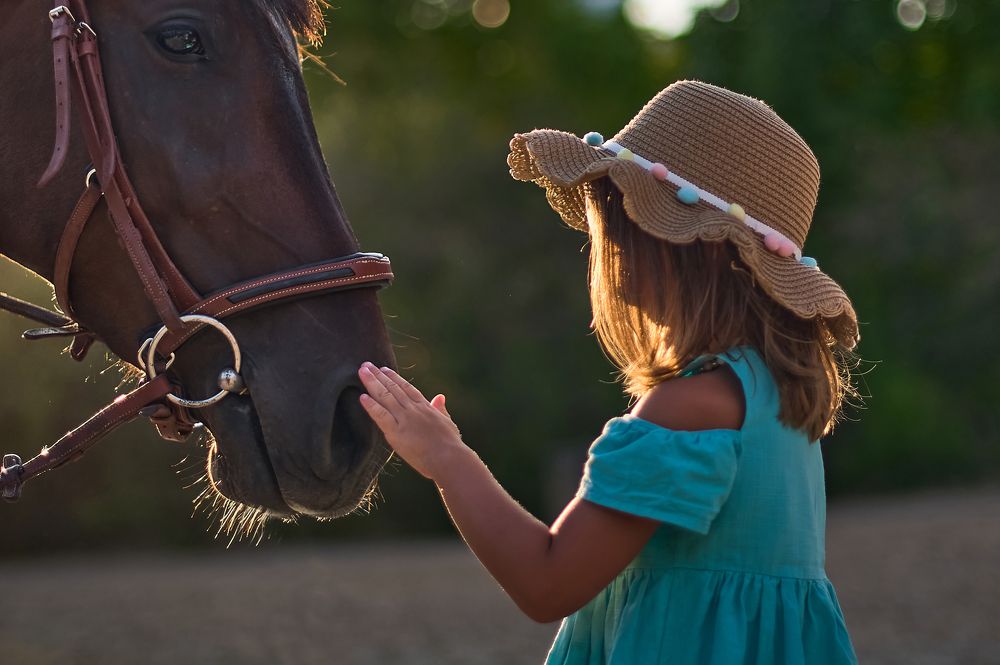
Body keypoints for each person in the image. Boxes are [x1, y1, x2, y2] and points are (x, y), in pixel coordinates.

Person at [357, 80, 860, 664]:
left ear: (691, 245)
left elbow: (548, 583)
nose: (603, 252)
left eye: (618, 230)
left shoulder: (690, 409)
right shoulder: (774, 397)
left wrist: (446, 458)